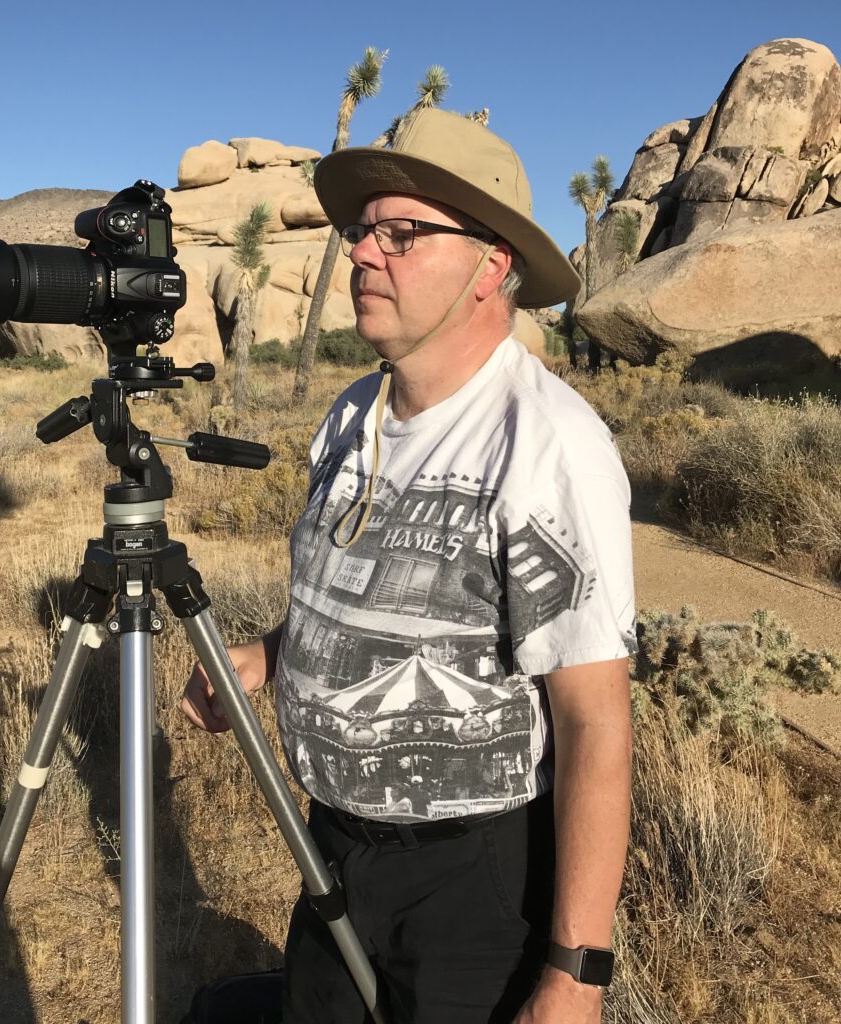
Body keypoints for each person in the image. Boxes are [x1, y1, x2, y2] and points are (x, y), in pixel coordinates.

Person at [181, 108, 636, 1024]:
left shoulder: (550, 444)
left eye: (403, 234)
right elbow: (370, 593)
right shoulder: (351, 416)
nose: (362, 254)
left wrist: (573, 973)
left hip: (472, 885)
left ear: (491, 264)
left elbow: (594, 721)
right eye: (362, 232)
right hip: (331, 847)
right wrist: (272, 653)